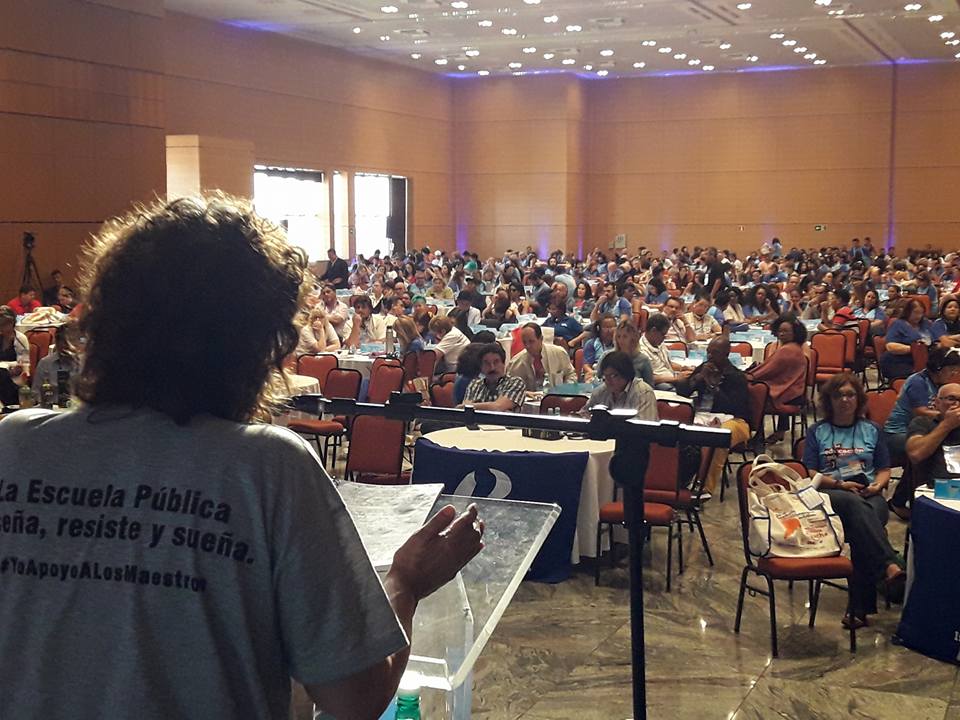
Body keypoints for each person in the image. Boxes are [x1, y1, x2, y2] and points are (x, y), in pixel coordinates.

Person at [0, 195, 484, 719]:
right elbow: (355, 698)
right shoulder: (267, 467)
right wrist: (406, 583)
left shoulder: (14, 446)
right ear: (257, 342)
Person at [802, 372, 906, 628]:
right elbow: (811, 472)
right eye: (838, 395)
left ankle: (859, 610)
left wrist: (877, 485)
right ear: (829, 400)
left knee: (862, 524)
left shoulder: (872, 430)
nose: (845, 400)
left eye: (850, 395)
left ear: (858, 399)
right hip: (830, 494)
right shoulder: (817, 431)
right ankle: (888, 564)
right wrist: (839, 484)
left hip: (869, 494)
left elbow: (884, 469)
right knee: (853, 506)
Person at [882, 345, 960, 518]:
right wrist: (948, 420)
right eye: (951, 370)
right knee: (925, 451)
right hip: (898, 432)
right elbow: (921, 412)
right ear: (939, 368)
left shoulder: (940, 384)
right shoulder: (918, 381)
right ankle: (900, 501)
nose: (954, 374)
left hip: (933, 432)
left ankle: (900, 500)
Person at [676, 337, 751, 496]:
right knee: (675, 431)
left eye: (715, 353)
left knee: (717, 437)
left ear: (726, 354)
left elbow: (734, 407)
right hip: (703, 416)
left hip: (735, 420)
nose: (710, 356)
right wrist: (698, 378)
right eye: (708, 352)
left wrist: (714, 386)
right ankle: (678, 481)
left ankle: (703, 488)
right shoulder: (704, 368)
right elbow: (682, 392)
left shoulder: (736, 376)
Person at [747, 315, 808, 444]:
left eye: (786, 331)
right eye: (780, 331)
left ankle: (756, 436)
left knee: (753, 392)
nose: (782, 334)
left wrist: (748, 375)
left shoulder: (787, 350)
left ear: (795, 333)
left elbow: (766, 371)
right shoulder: (795, 347)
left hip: (788, 393)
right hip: (795, 391)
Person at [906, 382, 960, 488]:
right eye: (951, 399)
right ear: (937, 402)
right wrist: (947, 424)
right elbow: (915, 454)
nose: (957, 404)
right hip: (935, 487)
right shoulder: (922, 423)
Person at [583, 350, 658, 419]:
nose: (608, 380)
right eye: (605, 376)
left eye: (613, 375)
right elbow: (583, 415)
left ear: (626, 374)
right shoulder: (600, 392)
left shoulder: (643, 393)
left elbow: (645, 425)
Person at [506, 322, 577, 391]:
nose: (528, 346)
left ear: (541, 339)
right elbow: (511, 388)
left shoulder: (559, 353)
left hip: (557, 396)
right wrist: (526, 393)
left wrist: (565, 390)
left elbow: (571, 375)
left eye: (531, 341)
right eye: (524, 342)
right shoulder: (515, 363)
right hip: (529, 398)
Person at [461, 343, 526, 411]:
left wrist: (472, 406)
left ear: (503, 364)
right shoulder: (474, 385)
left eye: (496, 362)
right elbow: (466, 410)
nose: (492, 368)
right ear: (481, 367)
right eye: (487, 363)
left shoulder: (515, 382)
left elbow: (498, 407)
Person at [638, 312, 693, 390]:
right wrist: (676, 378)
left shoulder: (658, 343)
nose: (664, 338)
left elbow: (667, 363)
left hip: (671, 377)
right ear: (653, 331)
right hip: (659, 384)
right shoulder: (641, 351)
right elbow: (648, 378)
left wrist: (683, 368)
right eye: (663, 334)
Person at [880, 299, 932, 380]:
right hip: (899, 361)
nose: (919, 316)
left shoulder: (926, 323)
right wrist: (915, 349)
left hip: (924, 360)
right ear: (908, 312)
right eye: (916, 313)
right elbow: (890, 346)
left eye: (921, 313)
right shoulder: (898, 324)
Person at [31, 321, 80, 406]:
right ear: (57, 342)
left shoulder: (84, 363)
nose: (67, 346)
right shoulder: (45, 363)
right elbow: (36, 394)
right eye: (63, 341)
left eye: (72, 341)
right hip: (52, 407)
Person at [0, 305, 30, 405]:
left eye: (3, 324)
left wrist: (11, 366)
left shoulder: (20, 339)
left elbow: (24, 363)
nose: (1, 328)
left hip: (15, 378)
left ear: (11, 323)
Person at [612, 318, 654, 387]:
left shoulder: (643, 360)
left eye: (625, 336)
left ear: (633, 338)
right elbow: (598, 378)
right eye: (618, 336)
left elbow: (649, 386)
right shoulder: (609, 357)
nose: (621, 340)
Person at [582, 314, 617, 382]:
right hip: (596, 374)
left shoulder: (620, 343)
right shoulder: (591, 343)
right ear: (599, 328)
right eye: (606, 327)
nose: (609, 330)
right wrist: (595, 374)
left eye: (612, 327)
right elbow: (586, 366)